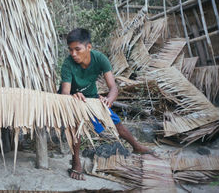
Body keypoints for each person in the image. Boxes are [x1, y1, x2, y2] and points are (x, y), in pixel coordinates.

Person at [60, 28, 154, 180]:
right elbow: (65, 94)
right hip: (72, 101)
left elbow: (113, 88)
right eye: (70, 50)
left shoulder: (99, 59)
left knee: (116, 123)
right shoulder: (68, 64)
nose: (73, 54)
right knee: (76, 126)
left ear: (88, 47)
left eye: (77, 49)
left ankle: (137, 147)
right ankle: (76, 162)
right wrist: (73, 96)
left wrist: (109, 99)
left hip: (92, 99)